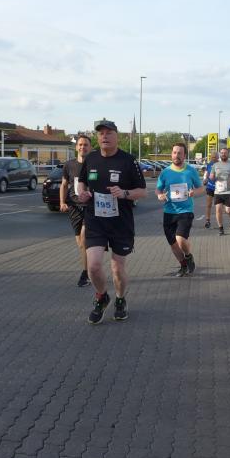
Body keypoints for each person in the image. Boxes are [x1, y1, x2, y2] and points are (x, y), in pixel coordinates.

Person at [76, 120, 147, 324]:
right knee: (93, 266)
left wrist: (124, 193)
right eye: (101, 134)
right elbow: (82, 182)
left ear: (117, 136)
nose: (104, 137)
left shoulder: (128, 161)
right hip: (95, 219)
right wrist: (82, 192)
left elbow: (142, 191)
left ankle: (120, 299)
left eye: (109, 133)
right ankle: (101, 296)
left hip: (120, 222)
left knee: (117, 268)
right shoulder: (91, 158)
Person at [156, 142, 206, 277]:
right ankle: (183, 265)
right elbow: (158, 189)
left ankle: (188, 255)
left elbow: (201, 188)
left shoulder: (191, 171)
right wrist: (160, 195)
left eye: (179, 153)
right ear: (171, 154)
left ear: (184, 156)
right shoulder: (165, 172)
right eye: (174, 152)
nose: (176, 155)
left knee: (180, 239)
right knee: (173, 244)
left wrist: (194, 192)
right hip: (169, 212)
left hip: (185, 211)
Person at [60, 134, 93, 287]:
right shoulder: (69, 165)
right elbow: (64, 185)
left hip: (89, 207)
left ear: (90, 147)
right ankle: (91, 267)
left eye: (85, 145)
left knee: (84, 238)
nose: (82, 147)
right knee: (80, 244)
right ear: (76, 147)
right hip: (74, 206)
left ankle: (85, 273)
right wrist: (62, 202)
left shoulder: (94, 164)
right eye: (80, 144)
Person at [209, 147, 230, 236]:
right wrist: (211, 177)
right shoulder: (215, 165)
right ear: (220, 154)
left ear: (228, 154)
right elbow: (211, 176)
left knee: (228, 210)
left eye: (225, 153)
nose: (223, 154)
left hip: (229, 191)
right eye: (222, 153)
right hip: (218, 191)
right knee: (218, 209)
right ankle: (221, 228)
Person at [203, 153, 218, 228]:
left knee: (218, 206)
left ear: (218, 157)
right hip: (210, 187)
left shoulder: (220, 165)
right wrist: (205, 179)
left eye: (215, 157)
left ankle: (219, 222)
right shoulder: (209, 165)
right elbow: (206, 174)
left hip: (219, 188)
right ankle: (207, 221)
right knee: (208, 204)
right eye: (212, 157)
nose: (213, 158)